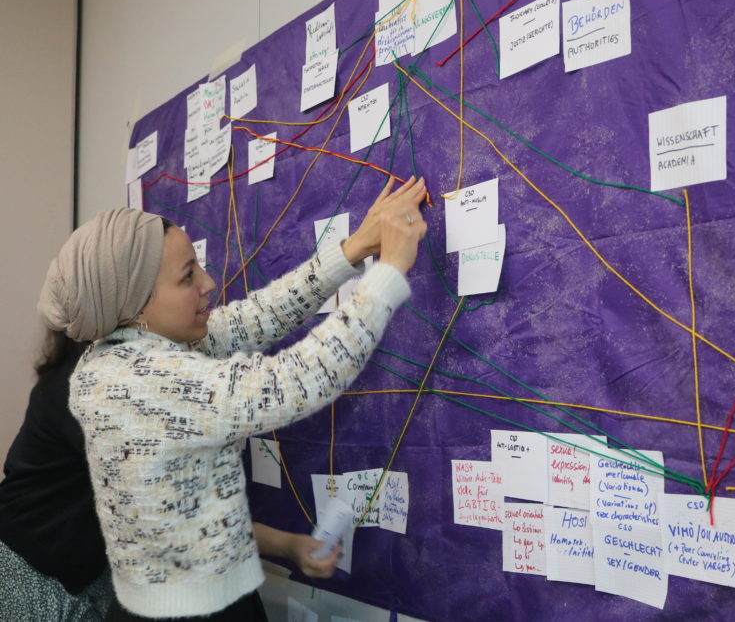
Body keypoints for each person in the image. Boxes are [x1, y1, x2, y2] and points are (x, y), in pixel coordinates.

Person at [34, 175, 427, 621]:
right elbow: (298, 379)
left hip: (203, 597)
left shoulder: (123, 351)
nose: (208, 282)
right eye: (187, 277)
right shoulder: (140, 382)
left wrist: (352, 250)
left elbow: (256, 317)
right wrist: (389, 271)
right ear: (136, 306)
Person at [0, 330, 341, 621]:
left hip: (85, 570)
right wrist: (289, 545)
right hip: (36, 577)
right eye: (185, 277)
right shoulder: (96, 389)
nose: (206, 286)